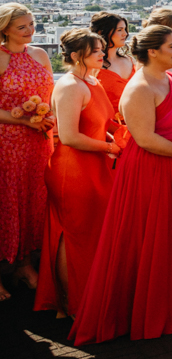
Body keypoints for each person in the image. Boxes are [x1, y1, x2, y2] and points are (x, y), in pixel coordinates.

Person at [70, 26, 172, 345]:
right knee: (158, 236)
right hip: (156, 170)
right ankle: (156, 310)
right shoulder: (138, 87)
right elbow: (145, 138)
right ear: (152, 51)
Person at [34, 30, 121, 316]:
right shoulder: (70, 86)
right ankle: (71, 303)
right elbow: (70, 136)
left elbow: (102, 123)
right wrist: (110, 147)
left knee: (93, 234)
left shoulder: (93, 81)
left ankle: (91, 298)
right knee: (73, 236)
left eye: (101, 48)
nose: (102, 53)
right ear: (75, 56)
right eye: (95, 50)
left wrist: (121, 135)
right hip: (73, 170)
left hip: (96, 167)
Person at [0, 3, 55, 303]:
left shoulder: (40, 54)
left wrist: (47, 116)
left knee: (34, 200)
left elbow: (51, 94)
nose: (30, 30)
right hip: (8, 143)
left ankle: (24, 264)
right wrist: (22, 120)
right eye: (22, 27)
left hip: (38, 141)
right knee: (7, 203)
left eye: (32, 24)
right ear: (5, 29)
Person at [90, 12, 136, 122]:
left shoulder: (130, 60)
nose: (125, 34)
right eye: (119, 30)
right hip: (106, 125)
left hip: (134, 123)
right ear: (102, 32)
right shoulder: (93, 66)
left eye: (125, 29)